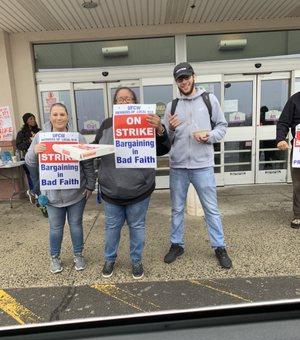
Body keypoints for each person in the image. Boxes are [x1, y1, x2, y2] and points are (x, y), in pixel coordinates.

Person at [94, 86, 170, 279]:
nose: (125, 101)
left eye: (128, 98)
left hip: (139, 190)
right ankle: (109, 259)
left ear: (136, 102)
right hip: (112, 190)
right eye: (120, 99)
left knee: (137, 227)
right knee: (112, 228)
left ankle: (136, 261)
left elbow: (162, 150)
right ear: (115, 104)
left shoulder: (148, 122)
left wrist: (160, 129)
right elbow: (96, 151)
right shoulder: (105, 124)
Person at [163, 62, 232, 269]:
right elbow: (166, 140)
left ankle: (219, 246)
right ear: (176, 82)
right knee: (176, 209)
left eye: (186, 77)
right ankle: (177, 245)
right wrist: (172, 130)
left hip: (203, 165)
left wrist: (209, 136)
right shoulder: (171, 106)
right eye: (180, 79)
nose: (184, 82)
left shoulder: (209, 100)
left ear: (194, 76)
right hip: (178, 166)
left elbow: (222, 126)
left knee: (211, 208)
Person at [25, 103, 96, 273]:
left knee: (76, 225)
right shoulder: (41, 137)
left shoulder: (77, 137)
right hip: (52, 195)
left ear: (67, 117)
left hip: (76, 193)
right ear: (50, 117)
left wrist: (90, 185)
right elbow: (29, 162)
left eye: (62, 114)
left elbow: (87, 163)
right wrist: (34, 150)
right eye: (55, 114)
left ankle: (78, 255)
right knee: (55, 228)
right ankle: (54, 258)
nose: (58, 118)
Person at [276, 92, 300, 229]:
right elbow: (284, 122)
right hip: (299, 148)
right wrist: (280, 138)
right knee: (298, 183)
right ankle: (298, 215)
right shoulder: (295, 100)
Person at [16, 113, 41, 203]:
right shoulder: (21, 133)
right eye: (30, 119)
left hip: (41, 158)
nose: (33, 120)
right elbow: (19, 146)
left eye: (33, 118)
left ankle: (32, 192)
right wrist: (30, 141)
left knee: (44, 177)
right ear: (26, 121)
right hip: (29, 159)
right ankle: (39, 201)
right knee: (34, 179)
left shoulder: (39, 131)